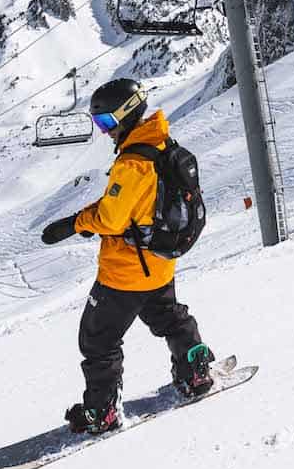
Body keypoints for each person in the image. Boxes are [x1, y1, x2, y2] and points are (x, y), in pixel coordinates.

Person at [39, 78, 215, 435]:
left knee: (97, 339)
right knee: (169, 317)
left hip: (125, 272)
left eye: (106, 123)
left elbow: (111, 217)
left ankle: (101, 411)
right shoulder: (161, 143)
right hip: (159, 262)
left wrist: (76, 223)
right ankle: (194, 371)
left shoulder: (133, 162)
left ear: (125, 115)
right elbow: (136, 207)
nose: (105, 132)